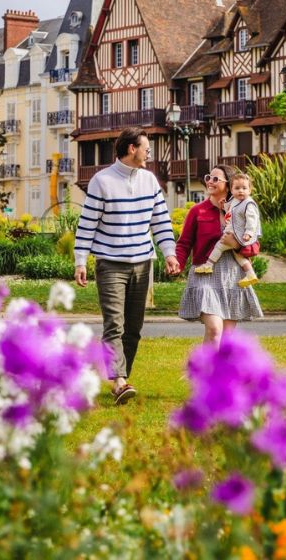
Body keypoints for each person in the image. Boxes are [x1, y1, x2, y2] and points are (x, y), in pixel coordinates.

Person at [74, 127, 180, 404]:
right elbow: (87, 224)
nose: (149, 153)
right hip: (110, 264)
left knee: (134, 328)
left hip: (142, 262)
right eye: (146, 147)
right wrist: (80, 260)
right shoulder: (102, 181)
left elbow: (161, 221)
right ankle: (119, 381)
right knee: (114, 324)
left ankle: (121, 378)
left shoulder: (149, 180)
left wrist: (169, 253)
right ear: (132, 149)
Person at [173, 165, 264, 345]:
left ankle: (219, 372)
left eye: (216, 179)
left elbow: (253, 245)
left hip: (232, 274)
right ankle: (204, 371)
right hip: (204, 272)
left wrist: (236, 245)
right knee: (215, 329)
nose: (210, 182)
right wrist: (177, 263)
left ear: (228, 185)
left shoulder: (243, 209)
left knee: (227, 336)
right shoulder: (197, 211)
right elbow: (184, 243)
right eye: (209, 177)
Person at [193, 170, 261, 288]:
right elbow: (230, 209)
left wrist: (248, 233)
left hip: (238, 234)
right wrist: (224, 205)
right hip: (235, 233)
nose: (241, 191)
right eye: (237, 188)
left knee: (219, 246)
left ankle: (209, 265)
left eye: (244, 188)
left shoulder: (248, 204)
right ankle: (250, 274)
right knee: (239, 256)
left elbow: (252, 220)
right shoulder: (235, 200)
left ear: (250, 190)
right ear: (231, 190)